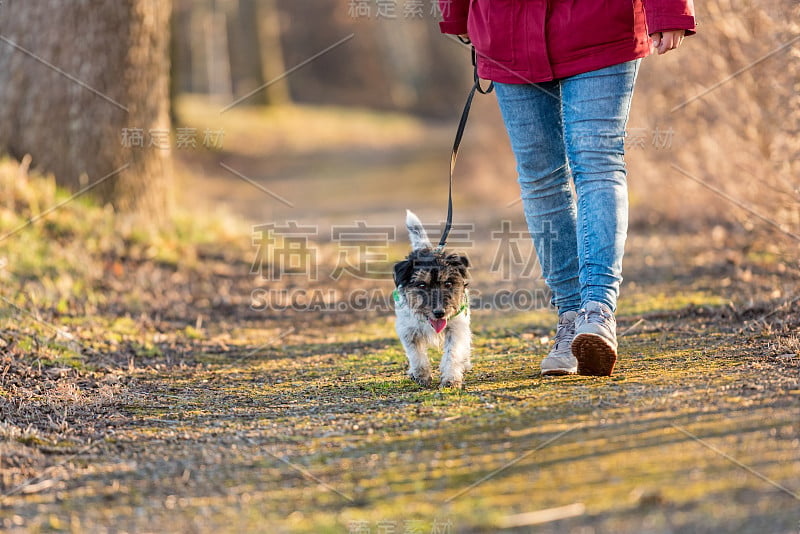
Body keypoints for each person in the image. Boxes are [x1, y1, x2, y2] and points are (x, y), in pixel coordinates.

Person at [438, 1, 695, 376]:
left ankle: (597, 311)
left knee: (597, 162)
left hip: (599, 23)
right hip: (506, 29)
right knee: (540, 179)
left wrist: (668, 9)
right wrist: (457, 13)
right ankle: (572, 319)